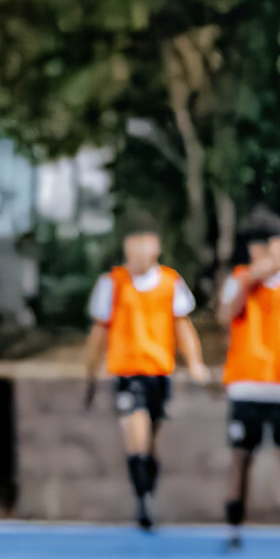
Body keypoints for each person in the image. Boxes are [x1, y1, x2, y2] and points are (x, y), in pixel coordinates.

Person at [80, 223, 206, 530]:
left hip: (159, 372)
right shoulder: (112, 284)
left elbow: (182, 327)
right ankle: (143, 500)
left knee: (151, 441)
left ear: (155, 248)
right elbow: (99, 331)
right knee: (135, 434)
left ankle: (148, 486)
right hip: (127, 371)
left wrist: (195, 363)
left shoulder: (170, 282)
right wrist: (91, 369)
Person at [215, 211, 280, 551]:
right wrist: (249, 281)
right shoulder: (238, 280)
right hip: (247, 384)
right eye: (256, 245)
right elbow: (225, 316)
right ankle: (234, 530)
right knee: (240, 458)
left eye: (268, 243)